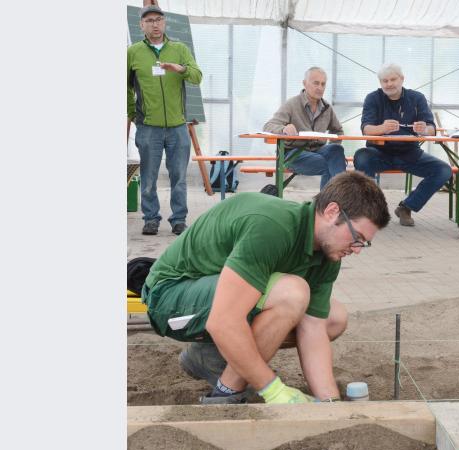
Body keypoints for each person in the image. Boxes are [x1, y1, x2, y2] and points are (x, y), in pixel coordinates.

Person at [142, 172, 390, 404]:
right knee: (292, 293)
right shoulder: (273, 226)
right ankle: (226, 394)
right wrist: (274, 391)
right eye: (356, 237)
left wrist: (329, 404)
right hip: (170, 297)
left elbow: (313, 329)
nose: (356, 250)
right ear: (332, 211)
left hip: (215, 300)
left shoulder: (328, 253)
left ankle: (211, 358)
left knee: (332, 318)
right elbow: (223, 321)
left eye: (364, 244)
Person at [127, 4, 202, 236]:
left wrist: (180, 68)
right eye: (149, 21)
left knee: (179, 176)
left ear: (164, 23)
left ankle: (179, 219)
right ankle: (151, 219)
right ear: (141, 25)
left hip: (178, 127)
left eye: (158, 19)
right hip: (148, 128)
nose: (155, 24)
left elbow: (197, 76)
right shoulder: (133, 53)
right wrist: (134, 113)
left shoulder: (179, 49)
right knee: (148, 177)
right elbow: (124, 87)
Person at [354, 63, 452, 227]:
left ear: (402, 79)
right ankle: (372, 209)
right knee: (361, 157)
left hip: (410, 154)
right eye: (385, 81)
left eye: (393, 79)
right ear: (380, 83)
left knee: (444, 170)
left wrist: (424, 129)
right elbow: (366, 129)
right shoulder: (373, 98)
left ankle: (407, 207)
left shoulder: (417, 98)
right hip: (379, 153)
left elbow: (432, 129)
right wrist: (382, 128)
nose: (389, 84)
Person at [263, 67, 346, 190]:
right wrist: (284, 128)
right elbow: (268, 126)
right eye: (316, 83)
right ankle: (331, 202)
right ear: (305, 83)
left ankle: (330, 202)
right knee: (333, 164)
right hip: (294, 154)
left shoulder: (327, 108)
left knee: (336, 150)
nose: (320, 88)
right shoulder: (292, 104)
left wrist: (330, 146)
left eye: (323, 84)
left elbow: (338, 130)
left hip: (318, 151)